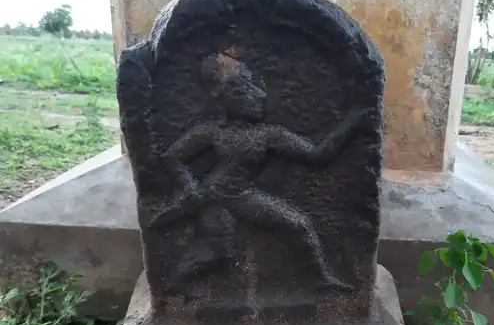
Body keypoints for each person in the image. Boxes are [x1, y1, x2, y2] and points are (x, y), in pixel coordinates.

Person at [149, 53, 366, 290]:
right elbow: (172, 156)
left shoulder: (269, 135)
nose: (260, 96)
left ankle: (320, 279)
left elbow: (318, 155)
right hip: (213, 199)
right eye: (247, 91)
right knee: (219, 250)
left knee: (300, 225)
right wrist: (189, 187)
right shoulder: (211, 132)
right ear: (229, 100)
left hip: (242, 195)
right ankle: (171, 285)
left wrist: (352, 122)